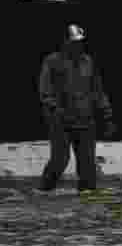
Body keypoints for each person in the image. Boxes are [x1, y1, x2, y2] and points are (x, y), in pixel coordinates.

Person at [37, 24, 116, 192]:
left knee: (87, 164)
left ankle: (87, 197)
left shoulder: (88, 62)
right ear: (65, 42)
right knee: (60, 160)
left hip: (85, 121)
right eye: (74, 42)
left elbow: (98, 91)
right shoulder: (52, 61)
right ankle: (44, 190)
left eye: (80, 43)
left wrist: (107, 116)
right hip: (61, 122)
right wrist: (56, 111)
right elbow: (45, 91)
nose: (77, 46)